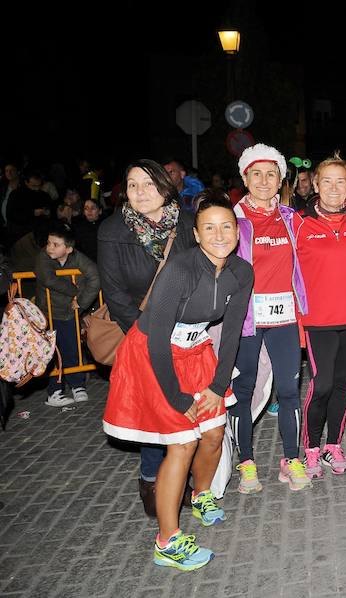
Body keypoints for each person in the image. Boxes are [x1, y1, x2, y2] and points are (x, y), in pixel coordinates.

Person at [102, 197, 253, 570]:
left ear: (237, 232)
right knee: (183, 442)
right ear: (196, 234)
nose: (219, 235)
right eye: (209, 227)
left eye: (227, 227)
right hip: (153, 356)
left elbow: (231, 332)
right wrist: (176, 395)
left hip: (196, 350)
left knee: (214, 432)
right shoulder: (180, 269)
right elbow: (156, 338)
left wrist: (218, 387)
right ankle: (166, 541)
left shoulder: (242, 272)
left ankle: (201, 495)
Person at [97, 159, 197, 517]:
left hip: (189, 332)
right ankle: (152, 480)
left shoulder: (186, 223)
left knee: (186, 408)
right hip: (141, 333)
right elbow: (115, 292)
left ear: (165, 187)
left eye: (148, 184)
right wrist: (147, 335)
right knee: (157, 412)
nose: (140, 192)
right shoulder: (113, 230)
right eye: (132, 184)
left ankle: (182, 481)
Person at [229, 143, 309, 493]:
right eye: (256, 174)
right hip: (247, 319)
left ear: (281, 180)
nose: (264, 180)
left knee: (290, 389)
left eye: (271, 174)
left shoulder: (292, 219)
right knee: (243, 391)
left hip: (285, 318)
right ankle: (245, 461)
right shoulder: (231, 221)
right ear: (245, 177)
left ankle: (291, 459)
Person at [296, 153, 346, 478]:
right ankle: (311, 448)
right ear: (315, 185)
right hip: (318, 322)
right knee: (321, 384)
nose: (334, 187)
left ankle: (332, 446)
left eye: (341, 181)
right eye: (327, 181)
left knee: (342, 385)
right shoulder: (299, 223)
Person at [35, 223, 100, 407]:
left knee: (72, 349)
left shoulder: (78, 258)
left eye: (56, 244)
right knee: (53, 353)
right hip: (47, 312)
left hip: (69, 313)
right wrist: (76, 292)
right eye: (49, 243)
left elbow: (95, 277)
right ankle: (54, 391)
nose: (50, 247)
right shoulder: (43, 257)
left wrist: (82, 303)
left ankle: (77, 385)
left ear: (69, 249)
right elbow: (48, 279)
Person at [72, 197, 106, 262]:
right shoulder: (79, 227)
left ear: (100, 211)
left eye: (93, 208)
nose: (89, 211)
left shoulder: (106, 226)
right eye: (86, 208)